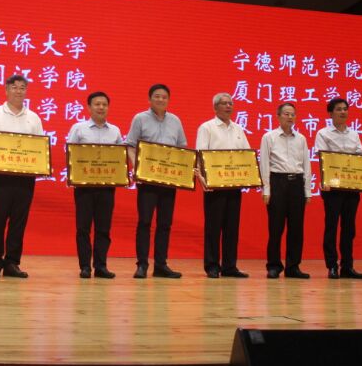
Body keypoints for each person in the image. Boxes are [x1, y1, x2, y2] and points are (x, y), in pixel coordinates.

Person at [0, 74, 45, 279]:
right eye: (15, 87)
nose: (19, 91)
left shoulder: (34, 117)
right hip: (0, 177)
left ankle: (12, 263)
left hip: (25, 178)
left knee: (19, 222)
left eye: (22, 88)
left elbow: (40, 148)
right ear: (6, 90)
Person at [125, 83, 188, 279]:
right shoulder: (140, 118)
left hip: (168, 181)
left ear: (168, 100)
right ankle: (142, 264)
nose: (161, 99)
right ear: (149, 99)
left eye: (164, 97)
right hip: (147, 180)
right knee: (145, 222)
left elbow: (182, 148)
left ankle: (161, 265)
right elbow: (130, 145)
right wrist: (137, 167)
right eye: (157, 96)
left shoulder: (175, 120)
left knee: (165, 224)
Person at [66, 91, 124, 279]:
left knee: (103, 229)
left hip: (107, 187)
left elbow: (120, 158)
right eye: (97, 104)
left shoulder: (115, 131)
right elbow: (71, 153)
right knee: (83, 228)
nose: (101, 107)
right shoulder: (79, 128)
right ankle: (85, 266)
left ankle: (101, 266)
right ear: (89, 107)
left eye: (104, 104)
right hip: (84, 187)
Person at [195, 92, 251, 279]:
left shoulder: (238, 129)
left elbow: (246, 155)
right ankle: (212, 265)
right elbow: (200, 154)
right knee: (213, 227)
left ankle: (229, 266)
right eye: (224, 103)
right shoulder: (207, 127)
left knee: (232, 227)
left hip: (234, 184)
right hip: (214, 185)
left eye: (230, 103)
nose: (228, 106)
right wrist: (202, 180)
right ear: (215, 107)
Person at [314, 97, 362, 279]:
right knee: (331, 227)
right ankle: (332, 266)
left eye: (345, 109)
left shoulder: (354, 134)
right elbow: (324, 158)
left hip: (352, 187)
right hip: (333, 188)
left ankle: (347, 266)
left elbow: (360, 157)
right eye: (338, 109)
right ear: (330, 113)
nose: (343, 112)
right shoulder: (323, 133)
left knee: (349, 229)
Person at [260, 102, 312, 279]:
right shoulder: (269, 137)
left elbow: (306, 165)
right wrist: (266, 189)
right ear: (278, 116)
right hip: (278, 182)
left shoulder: (301, 138)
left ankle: (293, 266)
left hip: (296, 183)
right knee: (276, 227)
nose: (290, 117)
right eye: (286, 114)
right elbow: (264, 164)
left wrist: (307, 191)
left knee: (296, 228)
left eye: (293, 114)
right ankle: (274, 265)